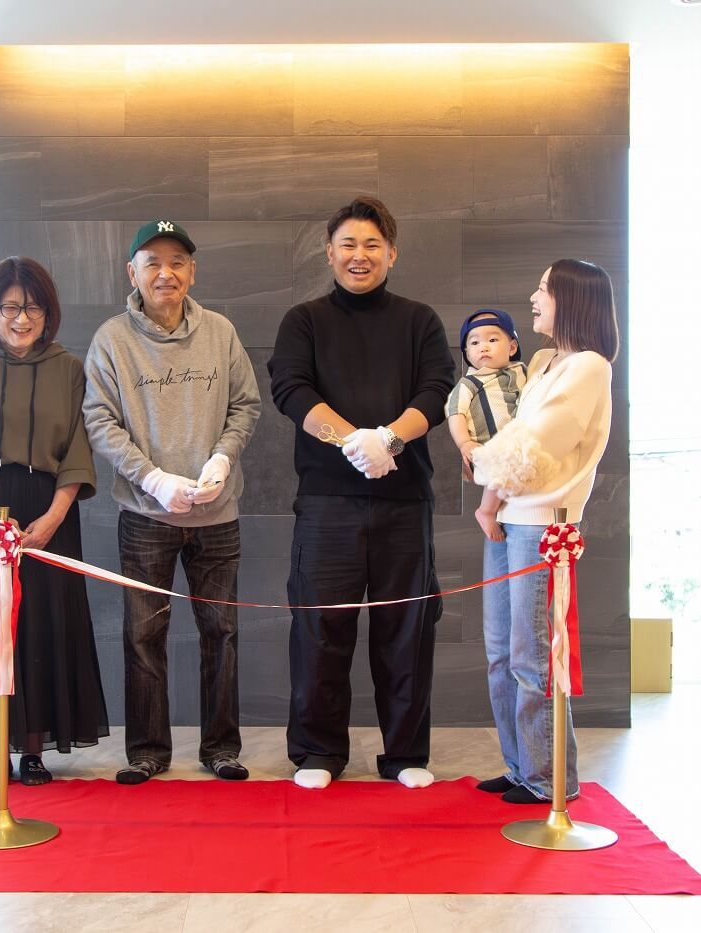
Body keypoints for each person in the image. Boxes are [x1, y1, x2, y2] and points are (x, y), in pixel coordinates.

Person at [267, 196, 455, 791]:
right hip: (327, 503)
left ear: (392, 253)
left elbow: (437, 390)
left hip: (405, 502)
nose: (360, 255)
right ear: (329, 252)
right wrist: (353, 442)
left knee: (407, 631)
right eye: (348, 244)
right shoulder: (304, 320)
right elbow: (290, 389)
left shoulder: (420, 320)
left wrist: (389, 440)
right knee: (320, 631)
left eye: (372, 244)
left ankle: (405, 754)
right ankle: (318, 752)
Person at [83, 220, 261, 785]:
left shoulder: (220, 332)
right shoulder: (112, 340)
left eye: (178, 261)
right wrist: (153, 479)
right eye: (153, 262)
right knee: (143, 635)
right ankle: (147, 751)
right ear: (132, 273)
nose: (167, 272)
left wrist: (222, 460)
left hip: (218, 514)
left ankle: (222, 748)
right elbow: (99, 420)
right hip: (145, 516)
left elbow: (245, 405)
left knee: (222, 632)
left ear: (192, 271)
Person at [0, 256, 108, 786]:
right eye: (10, 307)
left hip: (50, 508)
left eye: (33, 308)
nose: (22, 318)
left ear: (48, 313)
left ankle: (34, 749)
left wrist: (54, 517)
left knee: (45, 624)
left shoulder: (69, 369)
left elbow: (78, 451)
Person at [468, 259, 619, 805]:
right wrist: (492, 490)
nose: (533, 298)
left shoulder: (588, 367)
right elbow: (514, 438)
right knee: (501, 654)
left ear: (571, 299)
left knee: (532, 657)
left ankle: (548, 779)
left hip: (542, 526)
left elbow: (531, 448)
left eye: (543, 289)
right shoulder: (545, 362)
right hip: (510, 519)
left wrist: (484, 479)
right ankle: (520, 766)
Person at [446, 309, 529, 543]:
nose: (483, 347)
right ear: (467, 353)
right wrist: (464, 442)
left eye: (492, 340)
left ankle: (502, 507)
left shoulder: (522, 372)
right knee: (500, 468)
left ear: (511, 347)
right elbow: (455, 412)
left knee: (513, 471)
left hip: (517, 444)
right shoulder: (469, 383)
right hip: (486, 445)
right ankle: (486, 510)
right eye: (475, 343)